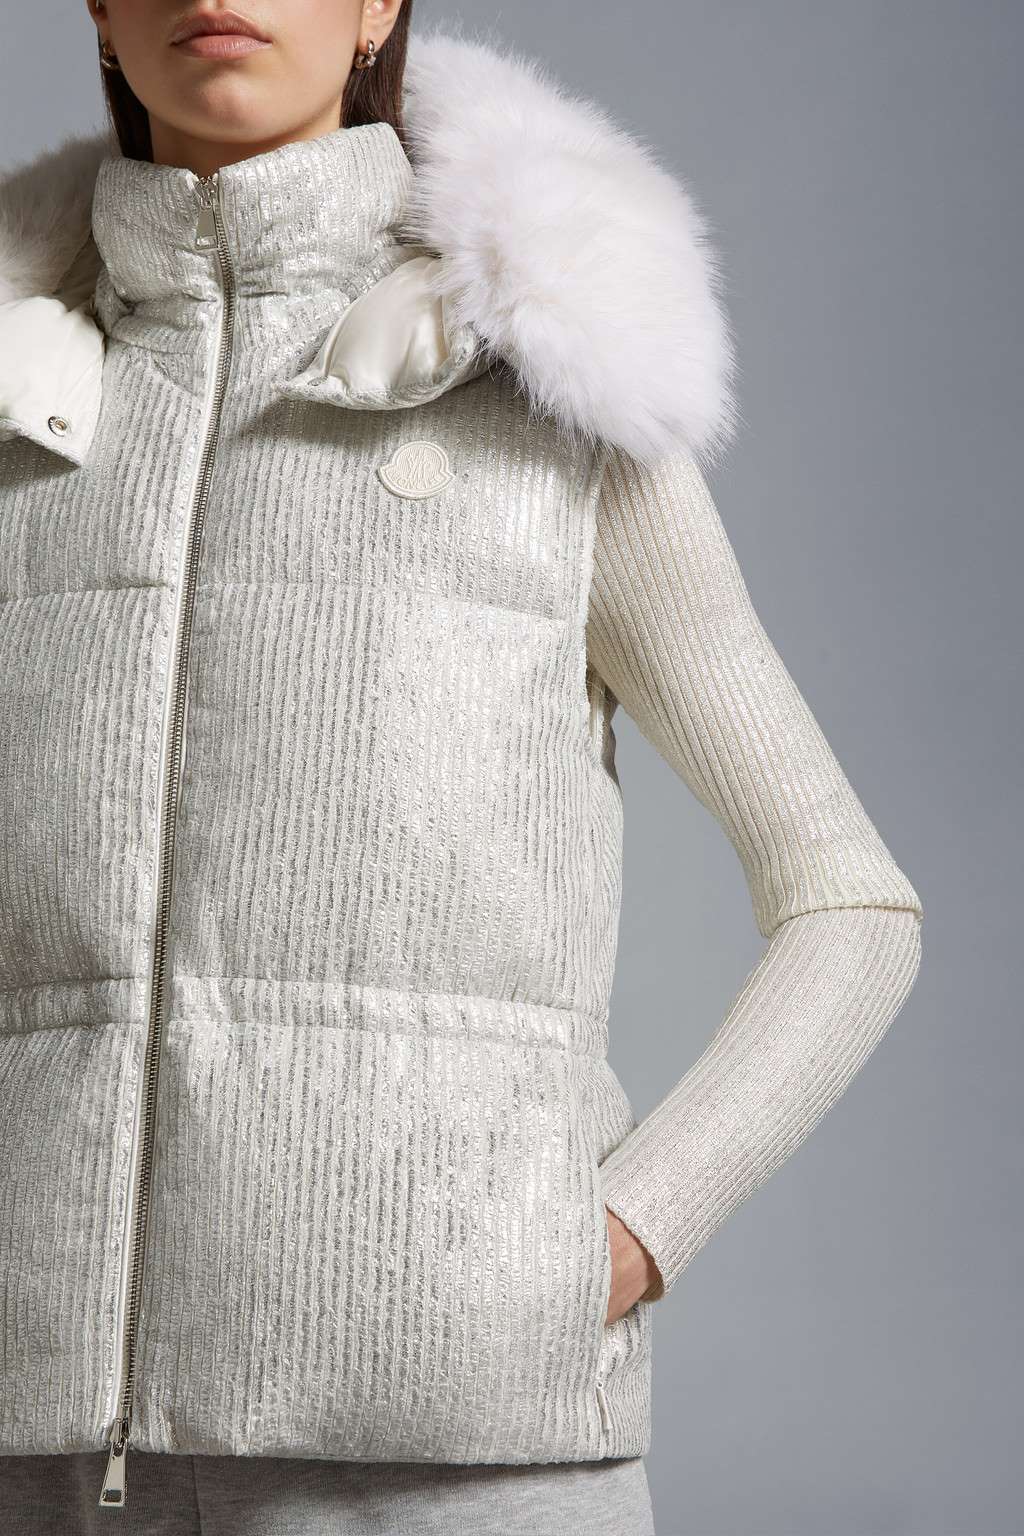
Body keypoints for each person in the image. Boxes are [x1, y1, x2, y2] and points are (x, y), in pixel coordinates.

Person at [0, 3, 924, 1532]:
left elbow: (851, 904)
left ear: (379, 3)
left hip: (459, 1466)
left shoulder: (551, 403)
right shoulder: (21, 415)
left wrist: (621, 1235)